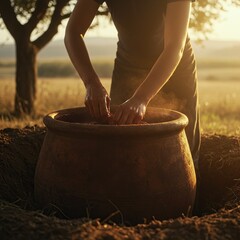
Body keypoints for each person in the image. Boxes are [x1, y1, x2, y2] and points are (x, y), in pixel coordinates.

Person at [64, 0, 200, 171]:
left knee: (182, 149)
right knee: (120, 144)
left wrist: (141, 98)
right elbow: (73, 32)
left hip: (175, 69)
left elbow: (174, 48)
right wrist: (91, 83)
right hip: (128, 67)